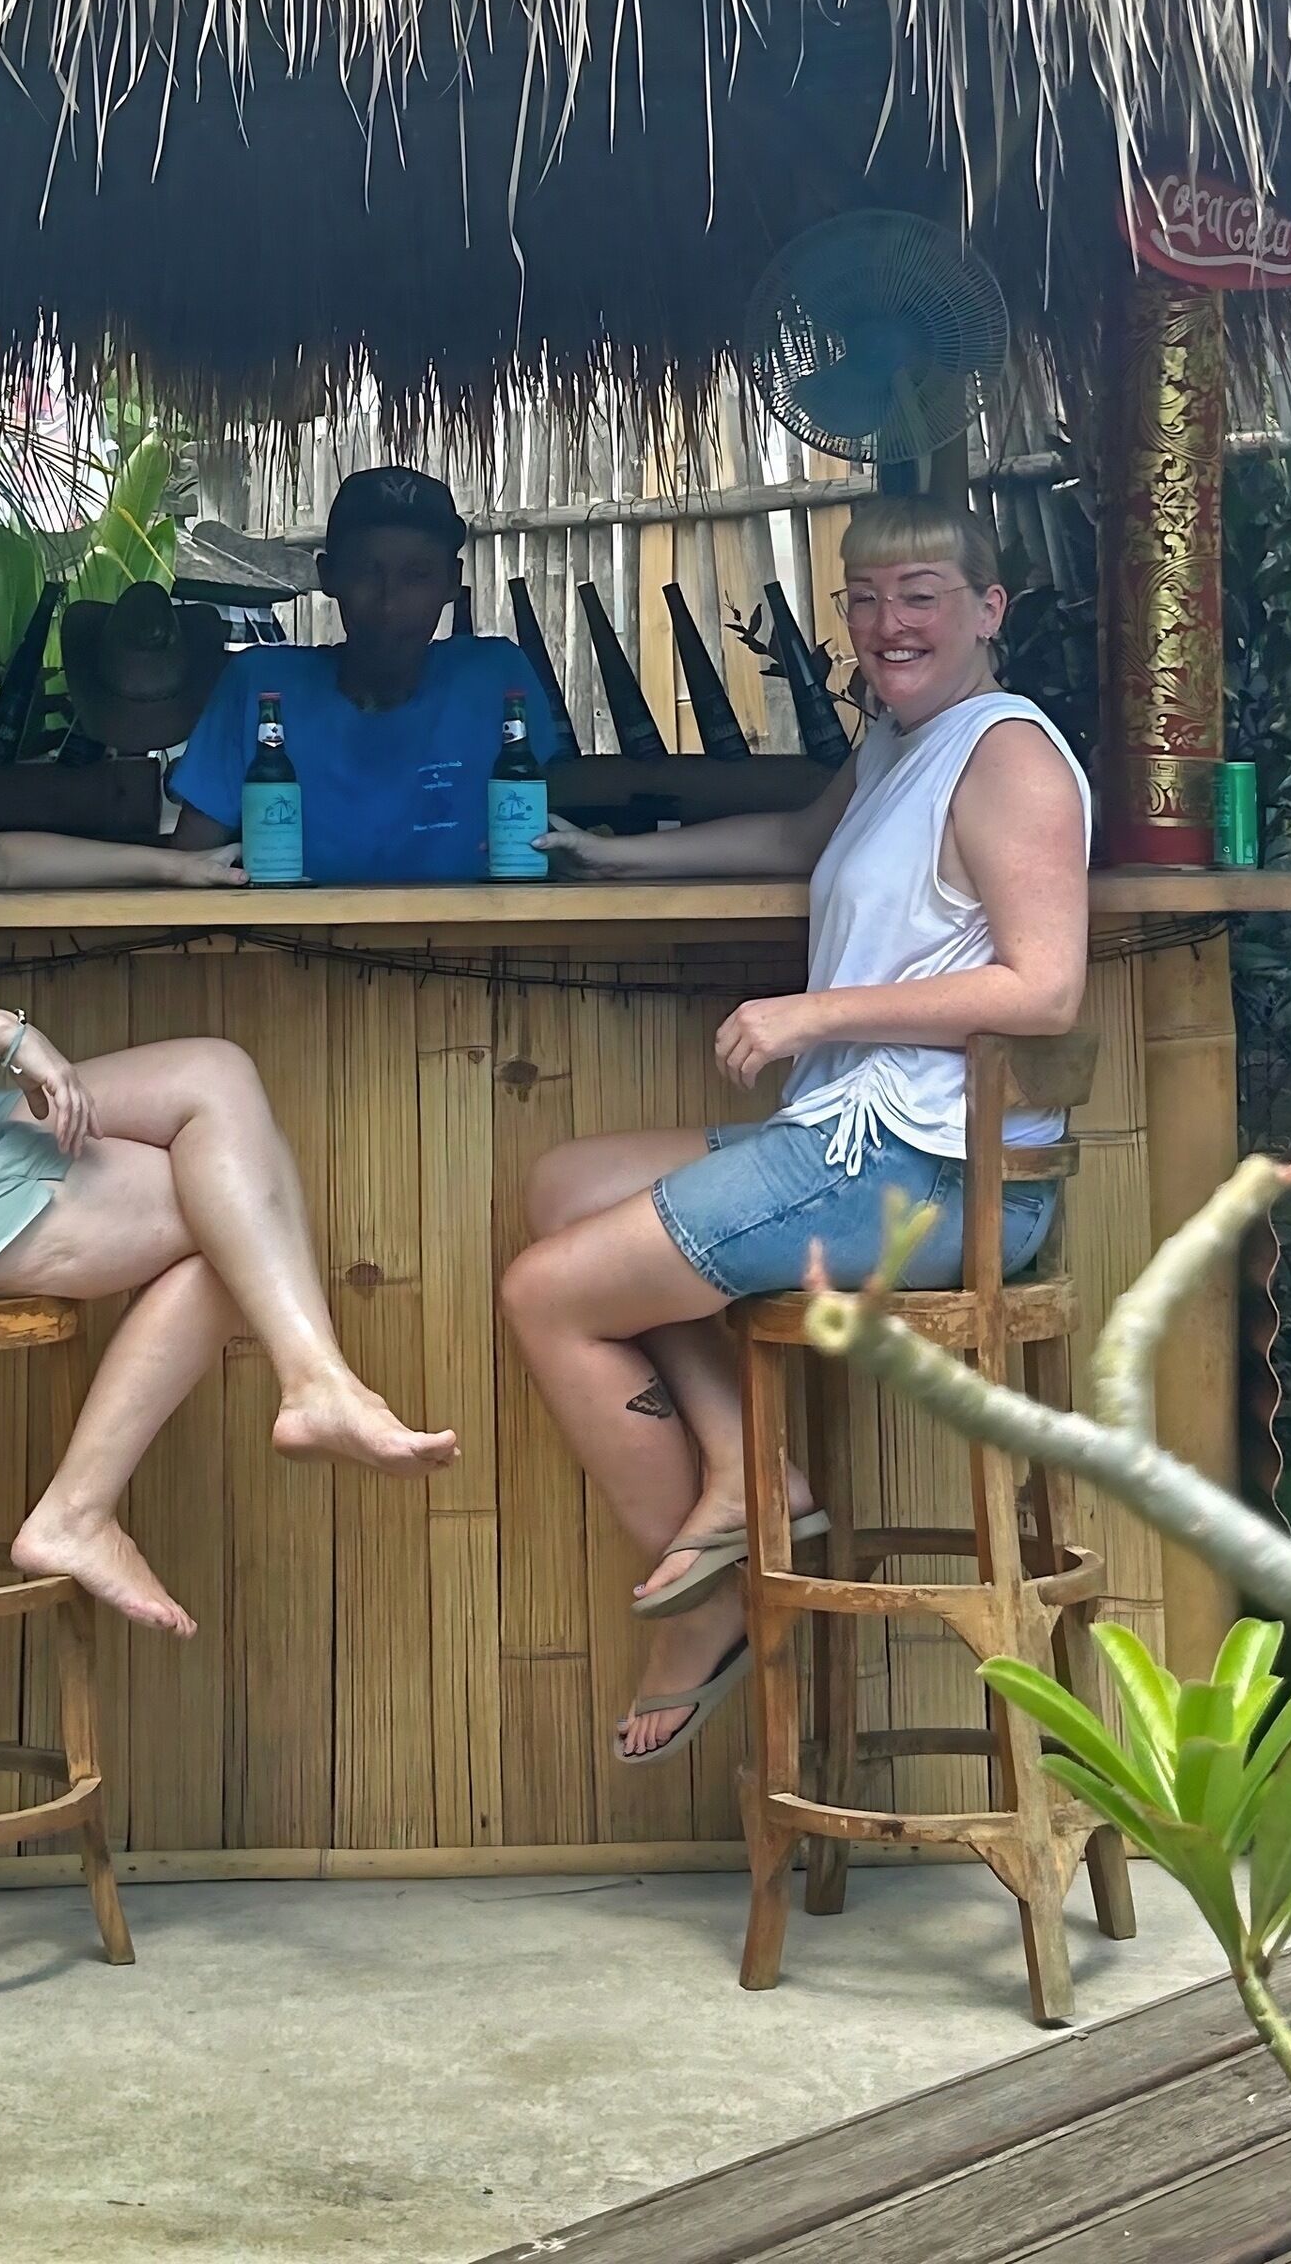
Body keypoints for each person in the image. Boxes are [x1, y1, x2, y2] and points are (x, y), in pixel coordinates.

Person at [0, 557, 457, 1636]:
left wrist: (179, 869)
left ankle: (315, 1383)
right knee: (217, 1221)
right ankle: (83, 1505)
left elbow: (5, 860)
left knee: (214, 1079)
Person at [498, 497, 1088, 1768]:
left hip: (925, 1174)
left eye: (919, 595)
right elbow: (791, 837)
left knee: (550, 1295)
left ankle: (710, 1601)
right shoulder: (900, 743)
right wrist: (610, 856)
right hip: (860, 1146)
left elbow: (1043, 989)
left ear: (990, 611)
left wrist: (811, 1012)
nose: (886, 625)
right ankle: (750, 1468)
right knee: (566, 1184)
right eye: (862, 600)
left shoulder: (1006, 757)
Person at [167, 464, 569, 881]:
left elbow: (558, 837)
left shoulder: (496, 680)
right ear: (328, 576)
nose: (389, 603)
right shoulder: (260, 688)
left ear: (453, 582)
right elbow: (191, 874)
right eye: (365, 572)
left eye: (416, 576)